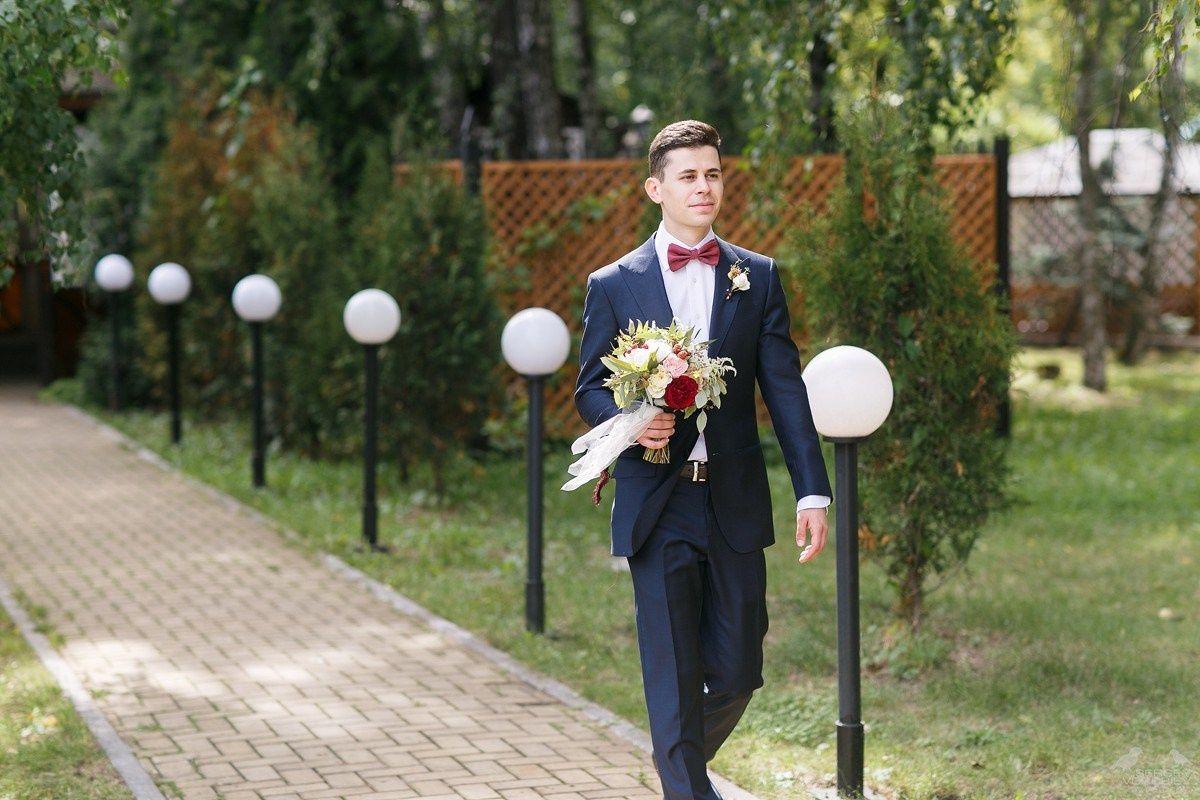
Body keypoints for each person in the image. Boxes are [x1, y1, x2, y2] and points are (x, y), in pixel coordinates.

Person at [573, 119, 832, 800]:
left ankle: (676, 759)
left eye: (713, 173)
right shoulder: (613, 283)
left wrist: (813, 492)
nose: (704, 186)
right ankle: (686, 781)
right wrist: (633, 425)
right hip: (657, 503)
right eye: (688, 175)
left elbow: (786, 390)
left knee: (741, 668)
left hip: (734, 500)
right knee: (672, 671)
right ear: (655, 187)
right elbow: (589, 389)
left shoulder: (759, 277)